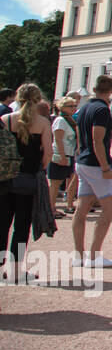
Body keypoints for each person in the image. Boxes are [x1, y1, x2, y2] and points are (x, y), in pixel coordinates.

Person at [1, 85, 52, 282]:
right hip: (28, 180)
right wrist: (38, 168)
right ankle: (14, 271)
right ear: (38, 99)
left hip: (4, 179)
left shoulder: (5, 120)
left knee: (2, 224)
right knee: (21, 227)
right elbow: (47, 153)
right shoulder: (42, 123)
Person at [71, 75, 112, 268]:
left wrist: (79, 156)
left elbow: (80, 135)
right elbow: (97, 140)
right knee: (109, 208)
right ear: (111, 89)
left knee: (82, 207)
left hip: (83, 161)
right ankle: (94, 255)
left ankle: (79, 255)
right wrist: (105, 167)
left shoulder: (84, 108)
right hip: (95, 163)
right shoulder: (102, 109)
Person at [48, 96, 78, 216]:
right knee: (55, 183)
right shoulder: (60, 120)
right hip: (61, 154)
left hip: (69, 153)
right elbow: (58, 139)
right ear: (62, 107)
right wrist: (61, 156)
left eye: (75, 106)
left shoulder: (70, 119)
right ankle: (51, 208)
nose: (74, 108)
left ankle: (69, 204)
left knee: (71, 180)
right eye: (70, 106)